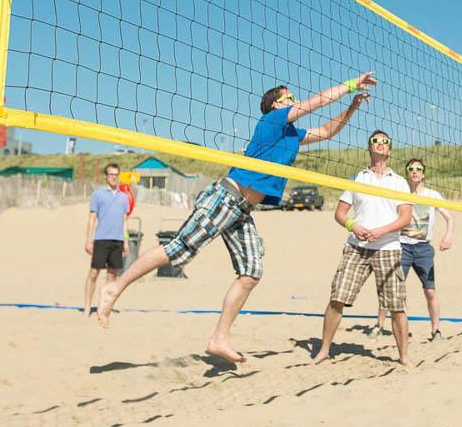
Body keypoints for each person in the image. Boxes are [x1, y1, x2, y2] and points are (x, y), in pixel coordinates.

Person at [96, 73, 377, 364]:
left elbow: (327, 131)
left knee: (251, 272)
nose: (293, 100)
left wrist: (352, 107)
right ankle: (115, 288)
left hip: (242, 211)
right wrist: (351, 84)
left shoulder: (291, 135)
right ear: (276, 104)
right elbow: (316, 103)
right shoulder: (272, 121)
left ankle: (218, 338)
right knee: (176, 249)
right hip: (226, 197)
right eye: (288, 96)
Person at [313, 130, 414, 366]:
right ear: (369, 148)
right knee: (337, 297)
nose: (380, 144)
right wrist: (352, 225)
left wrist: (381, 231)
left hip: (388, 248)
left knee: (397, 306)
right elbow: (340, 213)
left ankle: (404, 357)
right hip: (357, 247)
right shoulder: (357, 178)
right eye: (375, 141)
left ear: (389, 149)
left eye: (384, 142)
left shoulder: (398, 181)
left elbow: (406, 217)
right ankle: (324, 350)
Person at [374, 158, 454, 340]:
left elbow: (449, 218)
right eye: (411, 169)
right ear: (407, 173)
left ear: (423, 173)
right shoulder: (399, 193)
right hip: (401, 246)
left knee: (430, 291)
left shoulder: (432, 195)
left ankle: (436, 331)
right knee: (391, 287)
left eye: (418, 169)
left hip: (424, 249)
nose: (415, 172)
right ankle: (378, 326)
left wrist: (448, 235)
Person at [83, 163, 131, 316]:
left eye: (116, 174)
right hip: (101, 239)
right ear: (106, 176)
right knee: (94, 273)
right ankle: (86, 307)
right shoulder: (98, 194)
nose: (113, 177)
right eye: (111, 174)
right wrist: (88, 240)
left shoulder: (124, 197)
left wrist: (126, 241)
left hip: (117, 241)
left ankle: (102, 307)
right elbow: (92, 218)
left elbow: (124, 221)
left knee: (112, 275)